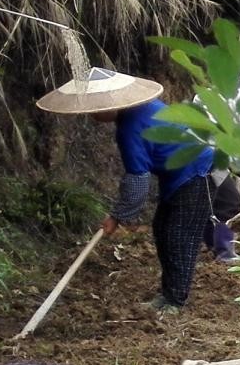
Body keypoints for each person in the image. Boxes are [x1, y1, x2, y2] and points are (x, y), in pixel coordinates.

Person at [37, 61, 221, 313]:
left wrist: (118, 217)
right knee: (163, 229)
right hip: (179, 173)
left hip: (197, 171)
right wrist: (122, 214)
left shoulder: (130, 127)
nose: (92, 115)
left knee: (178, 236)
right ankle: (170, 293)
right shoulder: (141, 111)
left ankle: (175, 300)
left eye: (96, 108)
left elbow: (137, 179)